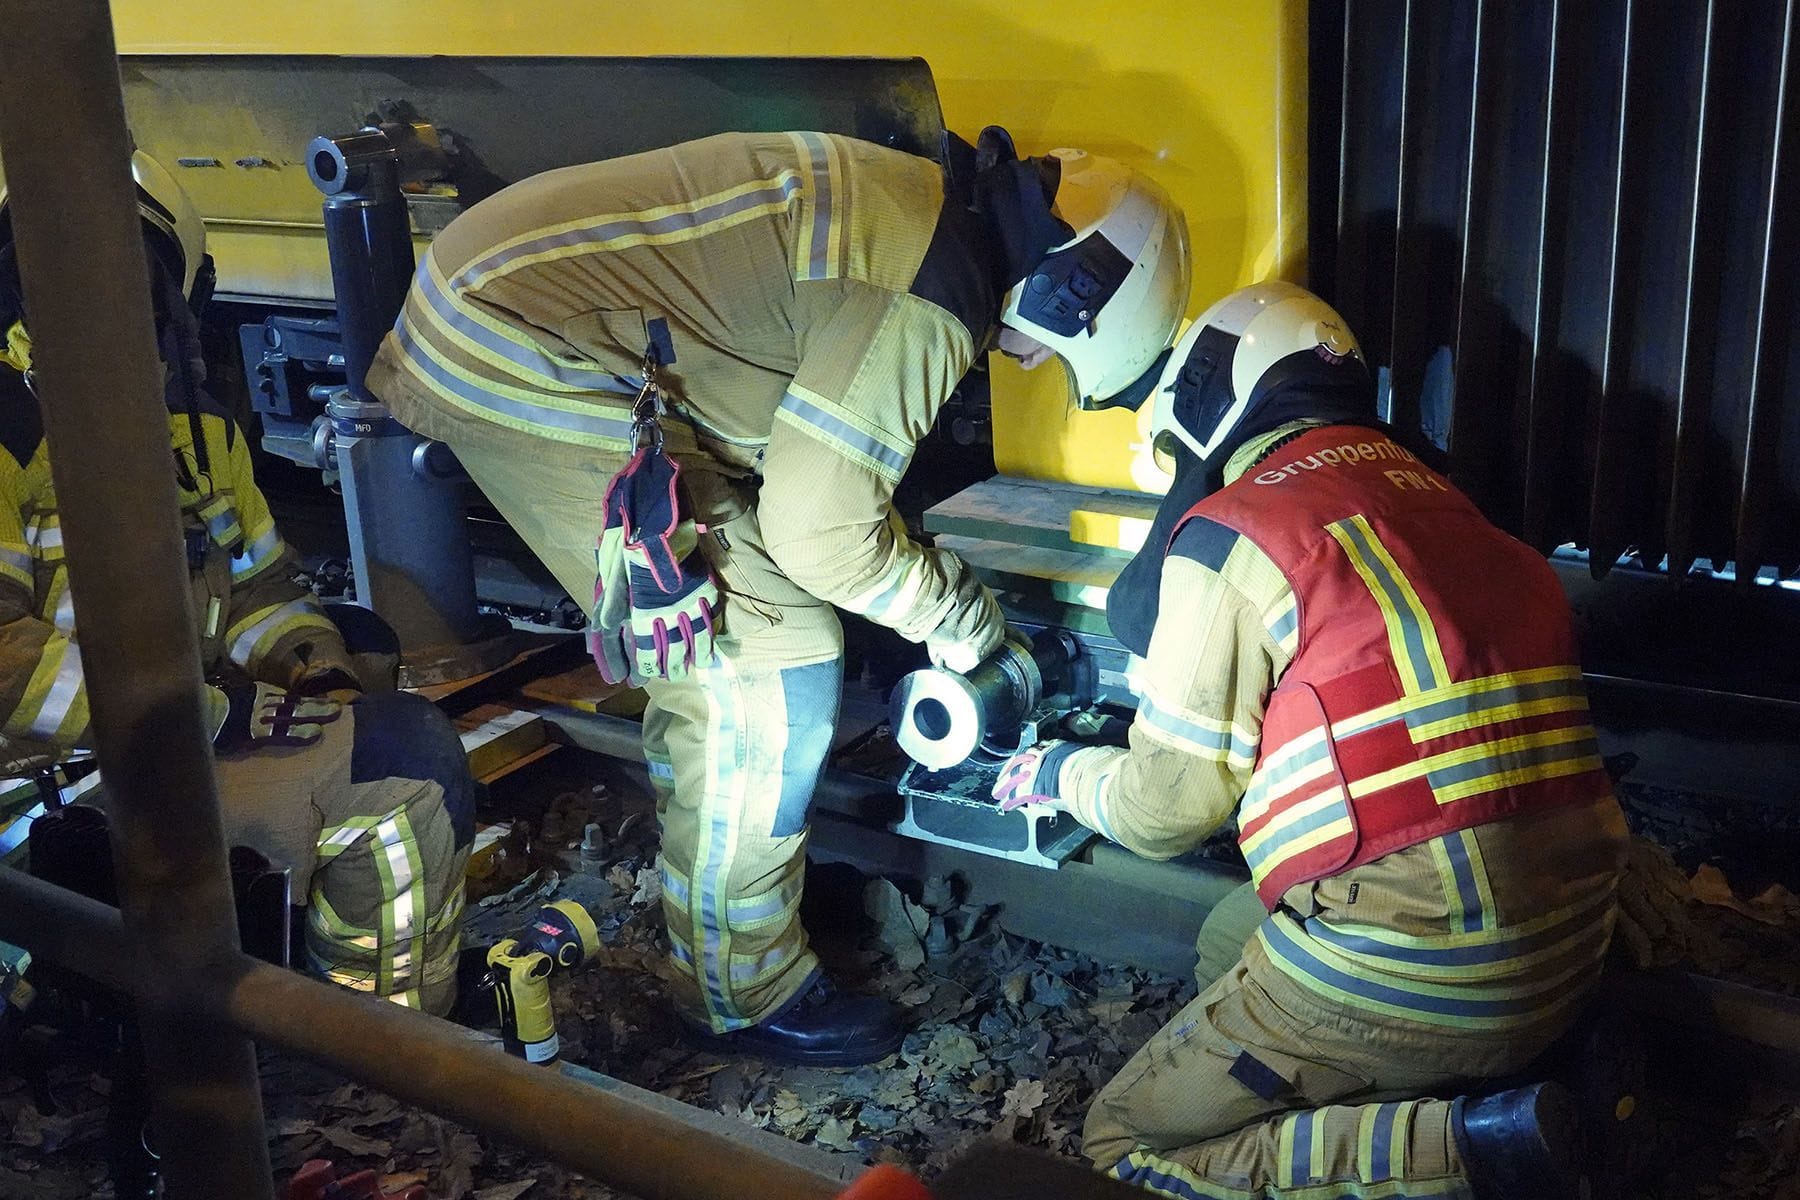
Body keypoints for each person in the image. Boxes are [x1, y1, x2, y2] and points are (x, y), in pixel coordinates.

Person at [364, 127, 1191, 1063]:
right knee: (767, 661)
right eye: (1060, 355)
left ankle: (723, 868)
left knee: (724, 653)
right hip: (514, 345)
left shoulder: (925, 218)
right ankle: (740, 992)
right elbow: (822, 532)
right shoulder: (930, 292)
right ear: (1077, 298)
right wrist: (966, 624)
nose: (1033, 365)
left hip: (507, 310)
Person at [991, 281, 1630, 1198]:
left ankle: (1464, 1152)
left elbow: (1167, 810)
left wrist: (1058, 771)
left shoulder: (1240, 530)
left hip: (1420, 965)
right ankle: (1515, 1081)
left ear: (1205, 399)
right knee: (1228, 940)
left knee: (1123, 1142)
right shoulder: (1460, 512)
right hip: (1570, 945)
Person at [0, 151, 475, 1015]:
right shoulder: (4, 435)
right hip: (39, 796)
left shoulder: (195, 434)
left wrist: (308, 664)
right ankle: (384, 1053)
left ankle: (367, 1043)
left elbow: (258, 592)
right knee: (407, 768)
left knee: (377, 687)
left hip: (159, 750)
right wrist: (203, 718)